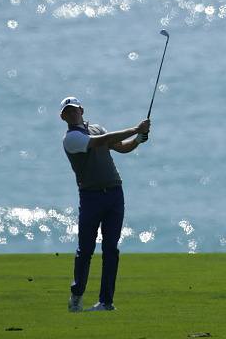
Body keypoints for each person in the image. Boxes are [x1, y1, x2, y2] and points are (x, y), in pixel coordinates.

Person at [59, 96, 151, 313]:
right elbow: (102, 141)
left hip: (115, 193)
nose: (72, 113)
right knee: (85, 249)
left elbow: (121, 147)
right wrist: (136, 129)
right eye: (68, 112)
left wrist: (138, 139)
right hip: (90, 197)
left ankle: (106, 302)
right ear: (62, 117)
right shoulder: (71, 138)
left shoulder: (97, 129)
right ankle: (77, 295)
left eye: (74, 110)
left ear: (82, 110)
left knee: (111, 248)